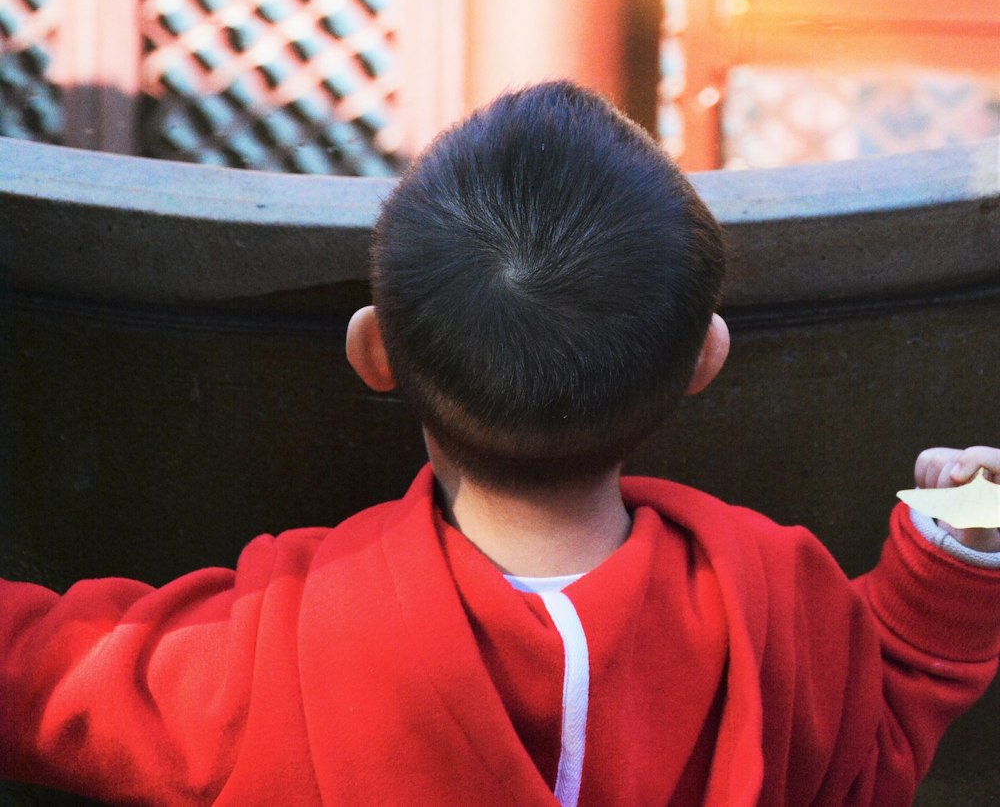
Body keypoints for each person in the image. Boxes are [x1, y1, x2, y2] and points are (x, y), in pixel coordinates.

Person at [1, 80, 997, 807]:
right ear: (705, 357)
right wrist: (949, 571)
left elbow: (46, 675)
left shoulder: (267, 652)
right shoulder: (781, 619)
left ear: (374, 353)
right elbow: (870, 743)